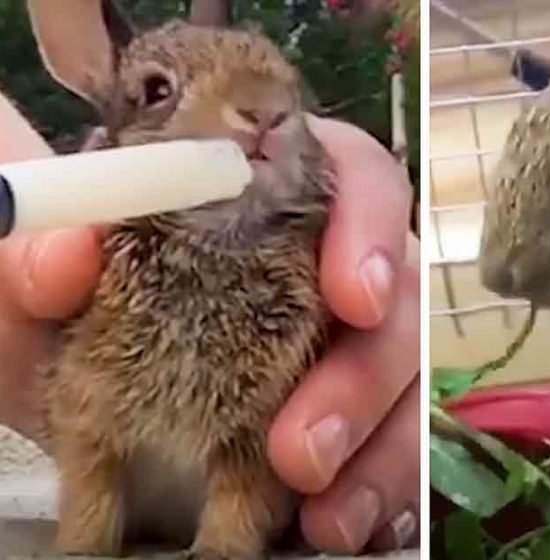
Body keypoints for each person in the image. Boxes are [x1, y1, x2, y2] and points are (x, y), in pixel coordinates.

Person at [0, 91, 420, 554]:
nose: (261, 115)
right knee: (91, 429)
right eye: (161, 90)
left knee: (264, 443)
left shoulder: (297, 268)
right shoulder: (108, 251)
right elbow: (83, 424)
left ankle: (230, 535)